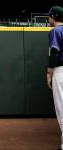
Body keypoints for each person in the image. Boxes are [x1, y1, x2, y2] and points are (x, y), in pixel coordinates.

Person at [46, 6, 63, 150]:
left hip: (61, 71)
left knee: (61, 108)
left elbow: (54, 53)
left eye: (49, 16)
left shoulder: (56, 31)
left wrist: (49, 73)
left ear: (53, 16)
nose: (48, 19)